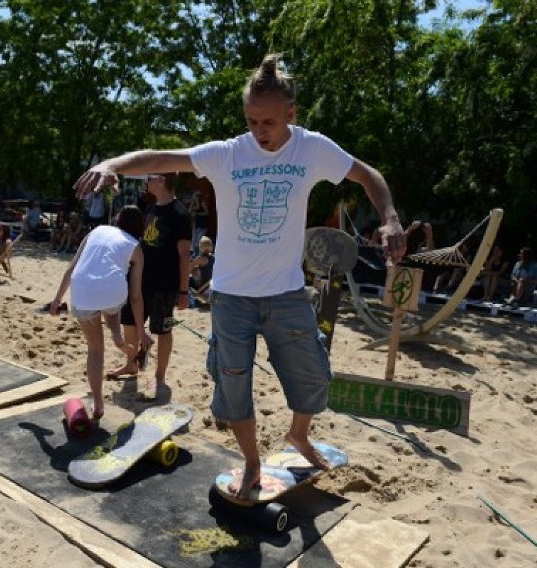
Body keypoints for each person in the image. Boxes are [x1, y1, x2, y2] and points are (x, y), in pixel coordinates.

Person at [73, 54, 406, 499]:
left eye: (268, 123)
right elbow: (166, 156)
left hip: (286, 292)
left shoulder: (312, 148)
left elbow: (368, 175)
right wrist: (113, 163)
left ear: (291, 114)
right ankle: (251, 460)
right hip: (231, 297)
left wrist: (389, 217)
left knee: (312, 375)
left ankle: (298, 434)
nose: (259, 132)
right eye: (251, 121)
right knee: (234, 385)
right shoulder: (228, 154)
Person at [49, 205, 153, 419]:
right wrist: (141, 331)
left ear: (117, 220)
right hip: (113, 292)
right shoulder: (135, 247)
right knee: (111, 304)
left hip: (82, 291)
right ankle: (117, 336)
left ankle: (98, 404)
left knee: (95, 351)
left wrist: (57, 299)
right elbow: (135, 296)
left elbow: (71, 268)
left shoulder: (96, 231)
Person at [107, 173, 191, 393]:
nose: (147, 180)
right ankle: (131, 363)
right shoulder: (152, 208)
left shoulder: (179, 214)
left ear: (162, 180)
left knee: (162, 330)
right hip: (141, 278)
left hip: (165, 283)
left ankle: (159, 376)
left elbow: (184, 255)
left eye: (151, 177)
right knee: (129, 322)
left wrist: (183, 291)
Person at [188, 191, 209, 255]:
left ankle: (200, 255)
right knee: (193, 241)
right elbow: (189, 211)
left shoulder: (202, 203)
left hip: (202, 225)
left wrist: (197, 214)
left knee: (199, 241)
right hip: (196, 224)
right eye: (195, 196)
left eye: (198, 196)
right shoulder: (194, 204)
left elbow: (207, 213)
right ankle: (194, 255)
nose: (196, 198)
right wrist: (192, 202)